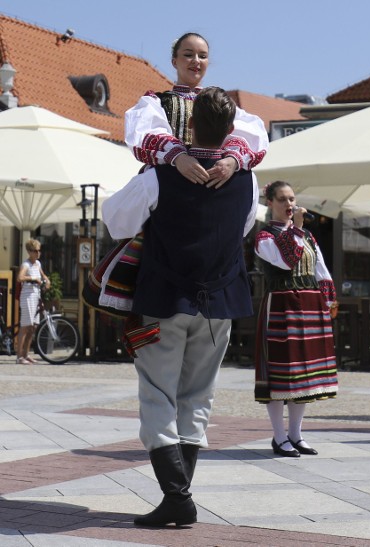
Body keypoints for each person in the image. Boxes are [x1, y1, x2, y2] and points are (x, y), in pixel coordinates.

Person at [103, 87, 257, 527]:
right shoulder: (248, 177)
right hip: (221, 301)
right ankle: (179, 496)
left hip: (165, 299)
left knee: (158, 395)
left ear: (187, 126)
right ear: (231, 131)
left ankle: (177, 496)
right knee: (197, 397)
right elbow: (243, 227)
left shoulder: (159, 174)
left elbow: (115, 220)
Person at [255, 181, 338, 458]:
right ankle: (279, 437)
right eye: (282, 200)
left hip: (309, 306)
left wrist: (328, 301)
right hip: (281, 305)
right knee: (281, 374)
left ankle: (296, 434)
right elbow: (286, 261)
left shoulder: (308, 237)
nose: (289, 205)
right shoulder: (264, 236)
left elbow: (320, 269)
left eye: (292, 199)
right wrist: (298, 229)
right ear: (270, 203)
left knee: (303, 374)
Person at [125, 32, 268, 186]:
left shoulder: (220, 104)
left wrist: (232, 160)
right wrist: (178, 156)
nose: (196, 61)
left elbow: (254, 134)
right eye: (188, 55)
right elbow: (142, 132)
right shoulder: (156, 102)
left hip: (212, 181)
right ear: (174, 61)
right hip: (168, 182)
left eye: (202, 56)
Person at [16, 239, 50, 364]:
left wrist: (47, 280)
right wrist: (33, 278)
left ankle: (26, 354)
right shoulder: (26, 265)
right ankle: (19, 356)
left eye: (39, 250)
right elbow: (20, 277)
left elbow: (43, 275)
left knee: (33, 327)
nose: (38, 253)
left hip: (36, 296)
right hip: (27, 297)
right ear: (29, 252)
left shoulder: (37, 264)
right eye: (35, 251)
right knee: (25, 326)